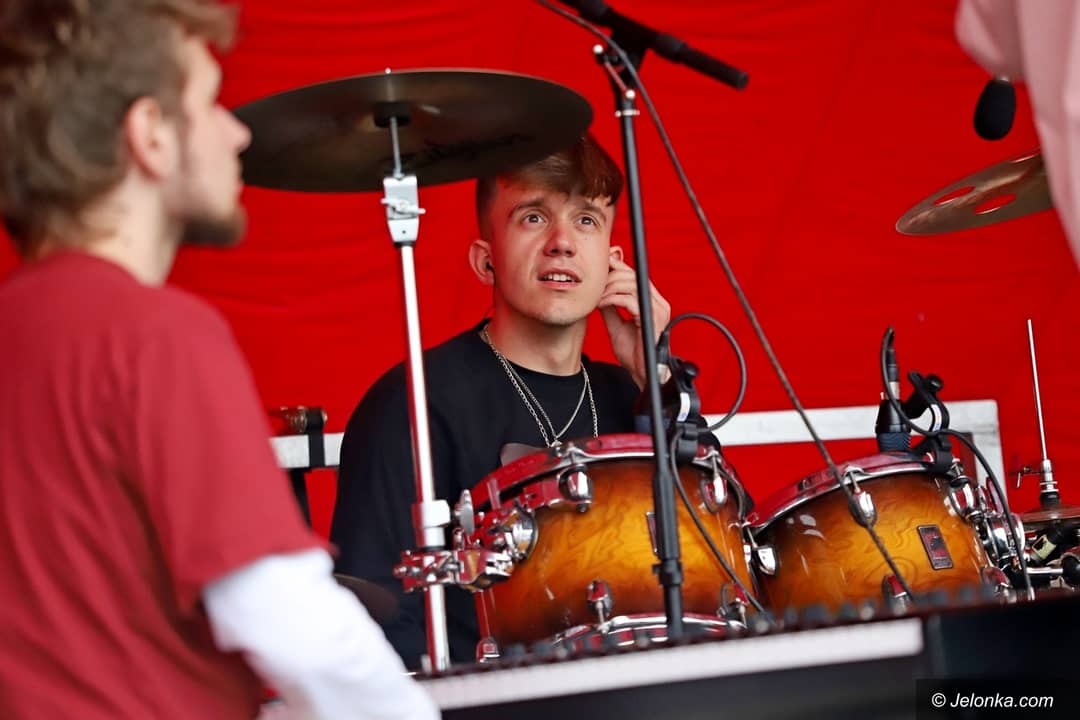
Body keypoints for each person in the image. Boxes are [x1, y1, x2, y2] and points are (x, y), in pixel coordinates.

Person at [0, 2, 437, 719]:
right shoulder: (155, 335)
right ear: (150, 135)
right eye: (210, 103)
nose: (238, 132)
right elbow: (293, 628)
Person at [330, 133, 672, 669]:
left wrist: (656, 379)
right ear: (485, 261)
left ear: (613, 262)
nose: (562, 242)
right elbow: (378, 613)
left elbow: (720, 556)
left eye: (586, 219)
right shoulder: (412, 402)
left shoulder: (635, 397)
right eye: (533, 217)